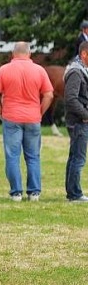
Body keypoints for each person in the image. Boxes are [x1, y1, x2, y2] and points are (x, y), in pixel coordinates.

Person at [0, 41, 54, 202]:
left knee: (12, 156)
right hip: (33, 118)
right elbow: (49, 95)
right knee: (33, 157)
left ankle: (16, 193)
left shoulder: (4, 70)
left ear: (13, 54)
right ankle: (34, 193)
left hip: (11, 118)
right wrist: (39, 112)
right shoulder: (39, 70)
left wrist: (0, 112)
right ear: (29, 54)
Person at [64, 41, 88, 202]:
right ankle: (75, 193)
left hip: (80, 120)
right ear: (84, 54)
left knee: (75, 157)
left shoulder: (81, 70)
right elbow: (71, 99)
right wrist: (86, 114)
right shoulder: (76, 72)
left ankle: (72, 191)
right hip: (79, 121)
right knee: (78, 158)